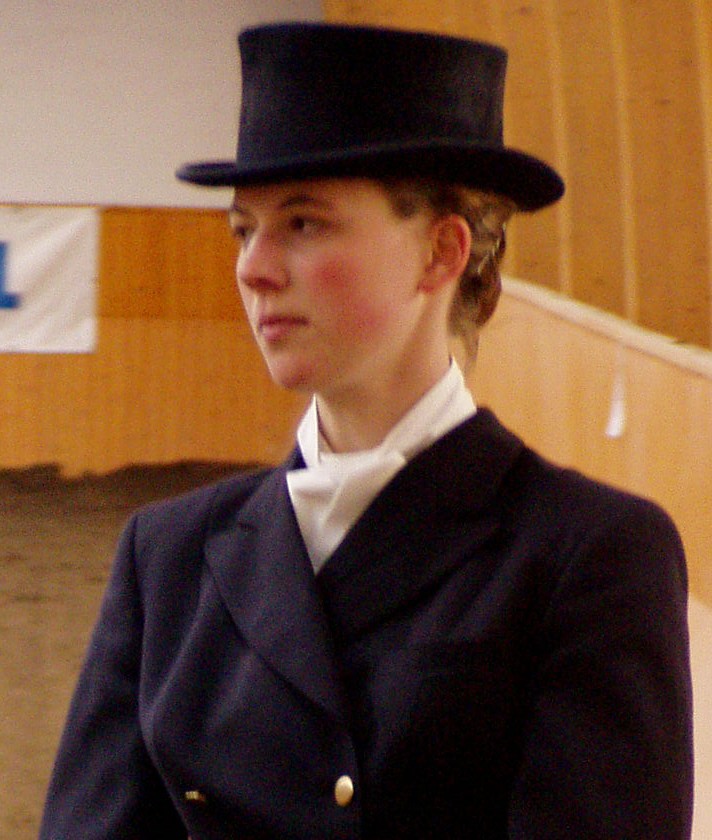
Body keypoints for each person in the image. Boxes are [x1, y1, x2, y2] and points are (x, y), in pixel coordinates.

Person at [40, 22, 693, 840]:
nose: (253, 268)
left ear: (440, 252)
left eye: (303, 224)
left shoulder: (585, 555)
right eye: (243, 229)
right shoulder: (165, 557)